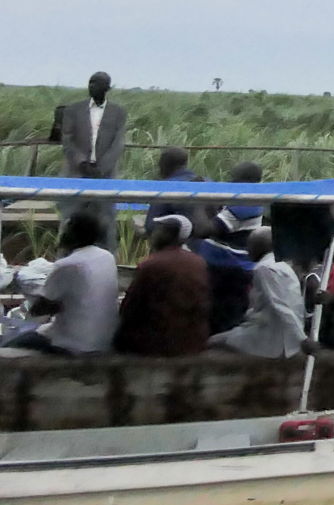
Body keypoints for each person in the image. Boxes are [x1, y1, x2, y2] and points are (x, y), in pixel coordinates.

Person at [13, 211, 119, 354]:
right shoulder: (106, 257)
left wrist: (31, 291)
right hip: (103, 340)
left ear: (72, 233)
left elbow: (39, 310)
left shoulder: (67, 265)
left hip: (73, 344)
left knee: (13, 345)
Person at [111, 216, 212, 356]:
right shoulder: (198, 262)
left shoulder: (152, 264)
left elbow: (130, 308)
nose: (153, 234)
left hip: (158, 343)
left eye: (159, 230)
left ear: (168, 235)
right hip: (192, 341)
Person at [55, 72, 128, 246]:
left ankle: (107, 261)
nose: (92, 86)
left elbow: (118, 143)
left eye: (97, 83)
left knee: (106, 221)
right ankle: (65, 259)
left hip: (104, 177)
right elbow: (67, 140)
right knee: (69, 220)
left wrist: (101, 168)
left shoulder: (118, 112)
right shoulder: (73, 110)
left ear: (108, 88)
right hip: (77, 175)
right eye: (90, 83)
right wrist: (82, 163)